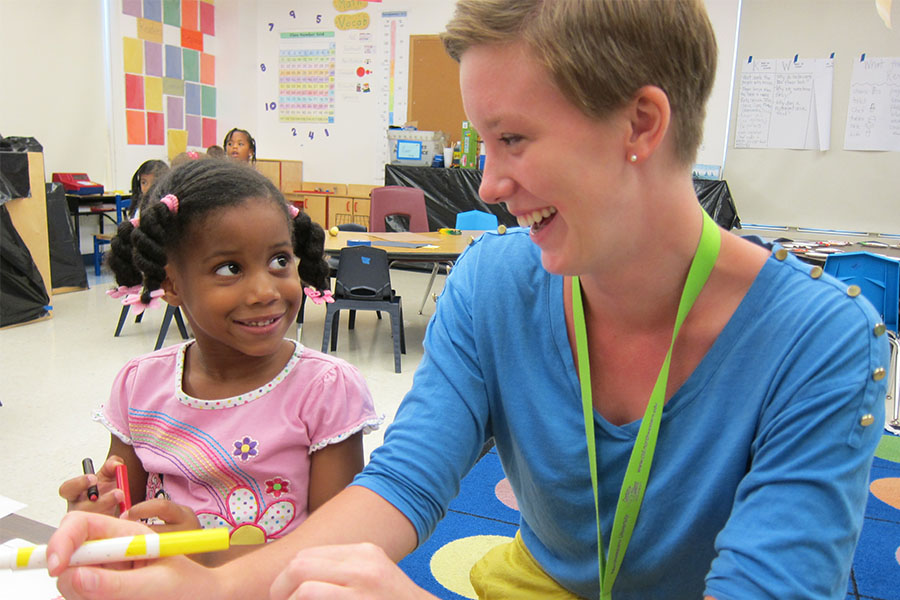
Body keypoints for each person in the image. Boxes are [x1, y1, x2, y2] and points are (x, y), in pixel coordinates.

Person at [48, 1, 887, 598]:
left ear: (641, 124)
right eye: (484, 142)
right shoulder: (495, 282)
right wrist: (214, 587)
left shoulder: (823, 341)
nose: (487, 182)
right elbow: (405, 482)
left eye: (514, 138)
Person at [57, 158, 380, 566]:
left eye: (280, 260)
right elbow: (126, 514)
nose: (266, 290)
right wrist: (95, 523)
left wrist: (204, 553)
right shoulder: (139, 385)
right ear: (171, 284)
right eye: (230, 268)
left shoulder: (326, 390)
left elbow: (336, 551)